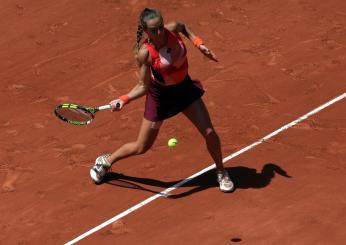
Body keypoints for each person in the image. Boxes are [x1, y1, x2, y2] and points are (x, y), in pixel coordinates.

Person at [90, 8, 234, 192]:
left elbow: (184, 28)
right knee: (142, 146)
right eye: (154, 30)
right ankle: (106, 161)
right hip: (161, 98)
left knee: (210, 132)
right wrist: (123, 99)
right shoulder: (145, 54)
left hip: (184, 90)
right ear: (146, 31)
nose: (159, 32)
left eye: (160, 27)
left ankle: (221, 171)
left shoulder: (172, 29)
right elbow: (143, 86)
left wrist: (199, 44)